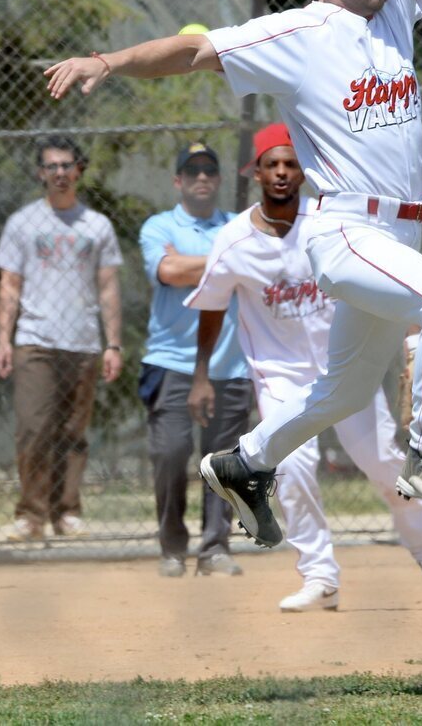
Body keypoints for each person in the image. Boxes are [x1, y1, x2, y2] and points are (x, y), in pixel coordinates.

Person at [45, 0, 422, 550]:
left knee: (341, 392)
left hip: (398, 237)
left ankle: (246, 463)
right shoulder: (300, 31)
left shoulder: (397, 10)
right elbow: (195, 49)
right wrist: (108, 61)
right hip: (345, 229)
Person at [184, 123, 422, 610]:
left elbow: (387, 278)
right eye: (273, 164)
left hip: (346, 369)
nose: (283, 173)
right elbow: (210, 308)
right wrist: (202, 374)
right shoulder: (233, 240)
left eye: (291, 163)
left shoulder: (329, 224)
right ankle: (319, 577)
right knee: (291, 468)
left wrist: (412, 340)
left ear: (304, 172)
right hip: (281, 374)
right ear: (257, 173)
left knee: (386, 467)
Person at [0, 136, 123, 541]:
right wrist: (3, 339)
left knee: (72, 433)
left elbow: (108, 288)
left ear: (79, 171)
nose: (60, 173)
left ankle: (66, 512)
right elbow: (9, 285)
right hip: (36, 340)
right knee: (33, 428)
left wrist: (113, 343)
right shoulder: (23, 223)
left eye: (67, 165)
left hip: (83, 342)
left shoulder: (96, 225)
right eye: (52, 166)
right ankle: (31, 515)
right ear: (40, 173)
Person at [137, 142, 251, 577]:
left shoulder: (237, 226)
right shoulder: (157, 226)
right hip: (171, 362)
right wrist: (225, 261)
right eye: (192, 170)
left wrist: (191, 262)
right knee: (170, 452)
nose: (201, 177)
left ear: (219, 180)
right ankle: (171, 546)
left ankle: (215, 547)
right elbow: (169, 272)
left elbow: (187, 268)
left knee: (223, 461)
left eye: (209, 170)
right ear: (178, 181)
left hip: (228, 363)